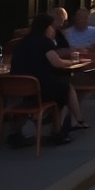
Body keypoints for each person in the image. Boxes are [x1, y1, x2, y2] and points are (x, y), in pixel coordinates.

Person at [11, 13, 84, 143]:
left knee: (61, 87)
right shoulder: (44, 42)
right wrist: (71, 62)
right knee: (65, 89)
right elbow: (57, 62)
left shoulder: (21, 43)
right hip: (40, 88)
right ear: (46, 27)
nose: (54, 30)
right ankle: (58, 130)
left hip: (19, 89)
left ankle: (18, 130)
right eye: (52, 27)